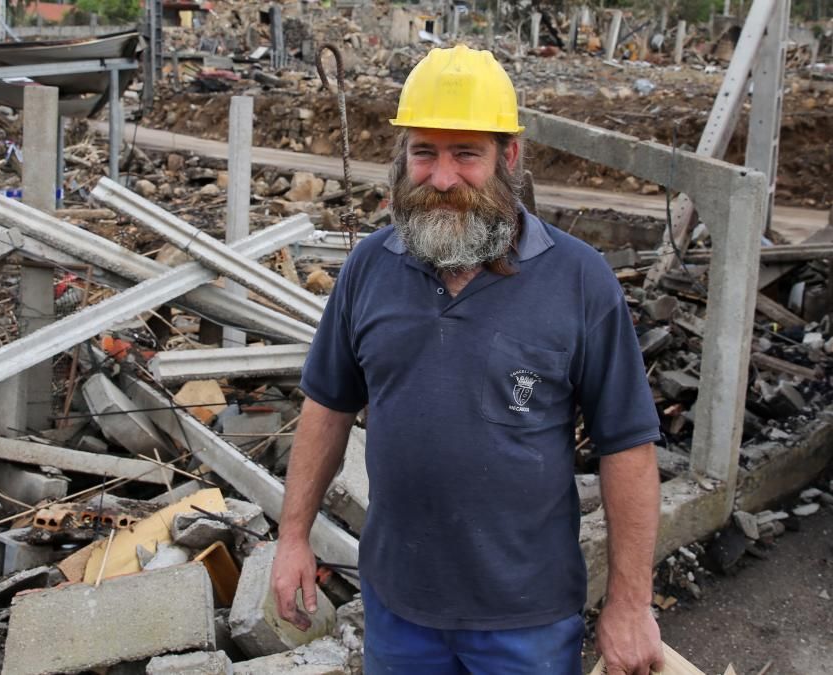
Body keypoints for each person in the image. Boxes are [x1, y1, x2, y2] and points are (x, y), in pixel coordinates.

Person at [271, 45, 665, 675]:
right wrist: (293, 537)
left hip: (526, 620)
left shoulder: (580, 280)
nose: (443, 177)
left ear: (508, 156)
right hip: (398, 611)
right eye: (424, 152)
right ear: (403, 155)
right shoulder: (370, 268)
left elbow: (628, 448)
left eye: (466, 154)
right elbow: (328, 405)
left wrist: (630, 603)